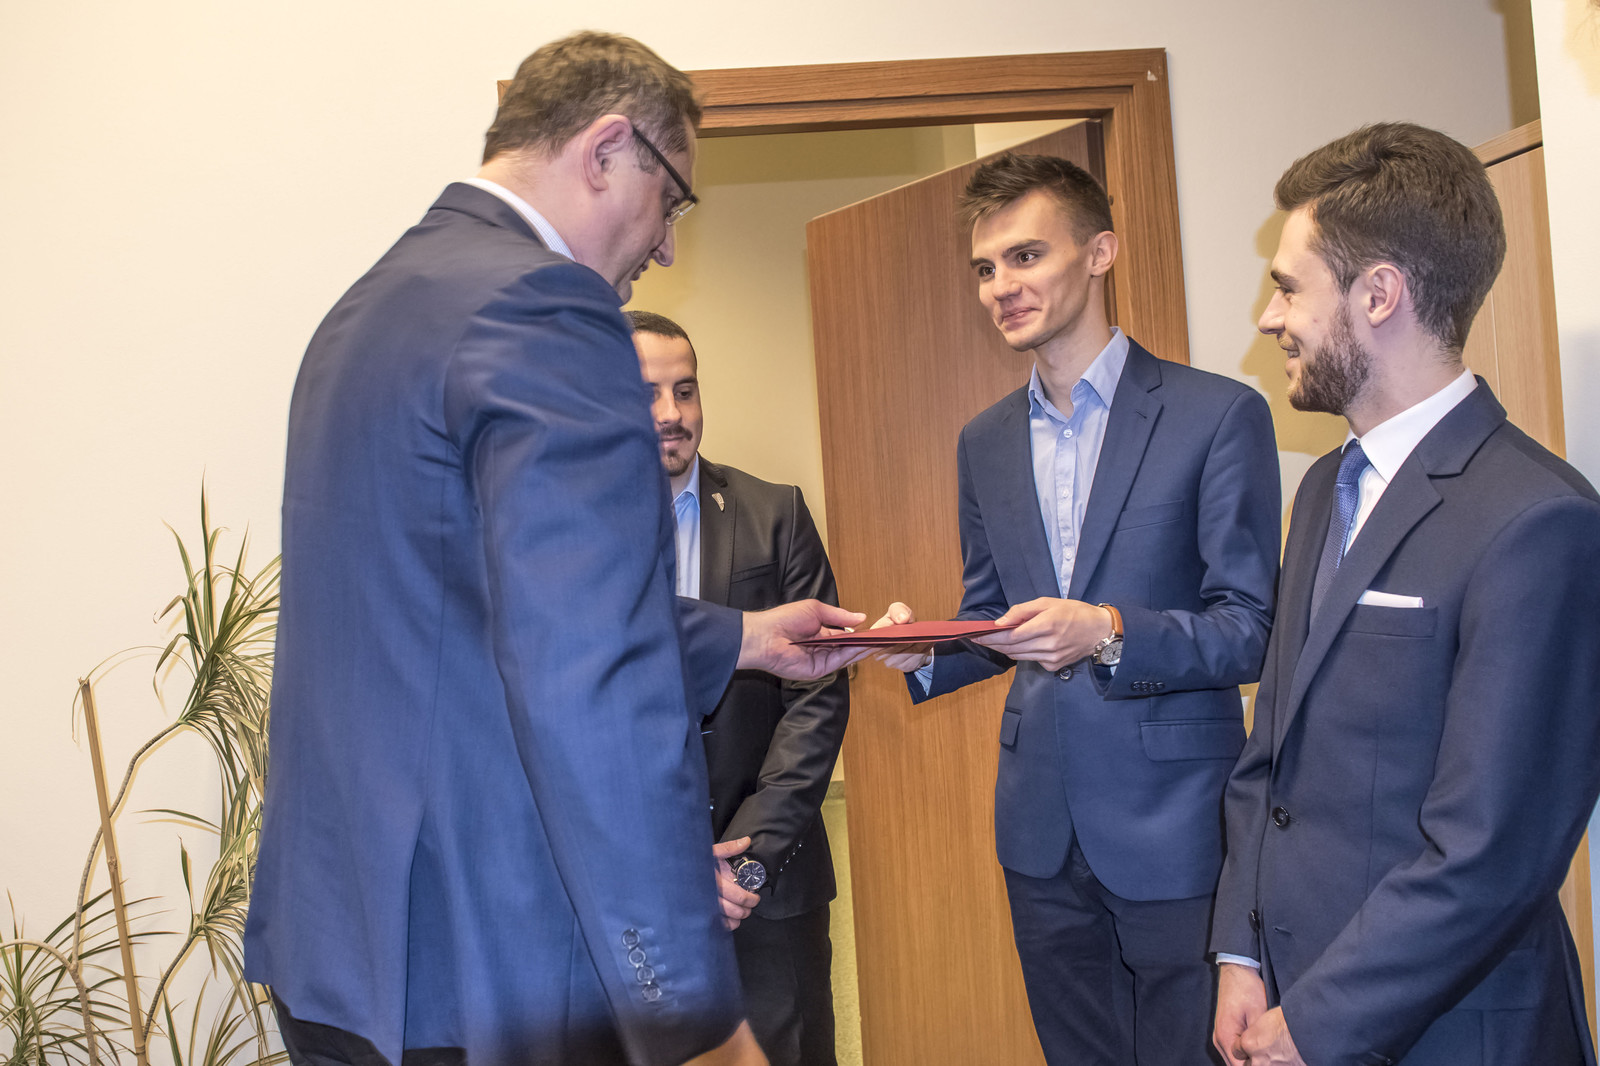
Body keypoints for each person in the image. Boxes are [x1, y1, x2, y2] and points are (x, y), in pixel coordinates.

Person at [243, 32, 864, 1066]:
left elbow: (470, 602)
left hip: (347, 951)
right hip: (494, 962)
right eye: (672, 202)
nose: (666, 248)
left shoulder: (368, 305)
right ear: (607, 149)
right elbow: (589, 677)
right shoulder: (550, 311)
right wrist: (687, 1011)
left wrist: (744, 638)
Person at [872, 153, 1281, 1065]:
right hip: (1038, 832)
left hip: (1176, 824)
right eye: (985, 268)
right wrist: (926, 649)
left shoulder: (1217, 415)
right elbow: (995, 616)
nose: (1000, 287)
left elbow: (1251, 628)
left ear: (1100, 252)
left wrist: (1107, 632)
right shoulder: (982, 441)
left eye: (1025, 257)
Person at [1210, 122, 1600, 1066]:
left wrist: (1318, 1022)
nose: (1269, 317)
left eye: (1289, 287)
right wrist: (1240, 953)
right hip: (1286, 994)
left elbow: (1492, 854)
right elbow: (1272, 754)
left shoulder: (1540, 521)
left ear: (1378, 294)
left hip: (1450, 1030)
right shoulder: (1322, 489)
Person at [628, 309, 849, 1066]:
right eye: (647, 392)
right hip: (633, 889)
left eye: (685, 390)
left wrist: (749, 860)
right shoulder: (576, 536)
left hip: (768, 885)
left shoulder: (774, 513)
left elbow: (817, 696)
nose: (671, 413)